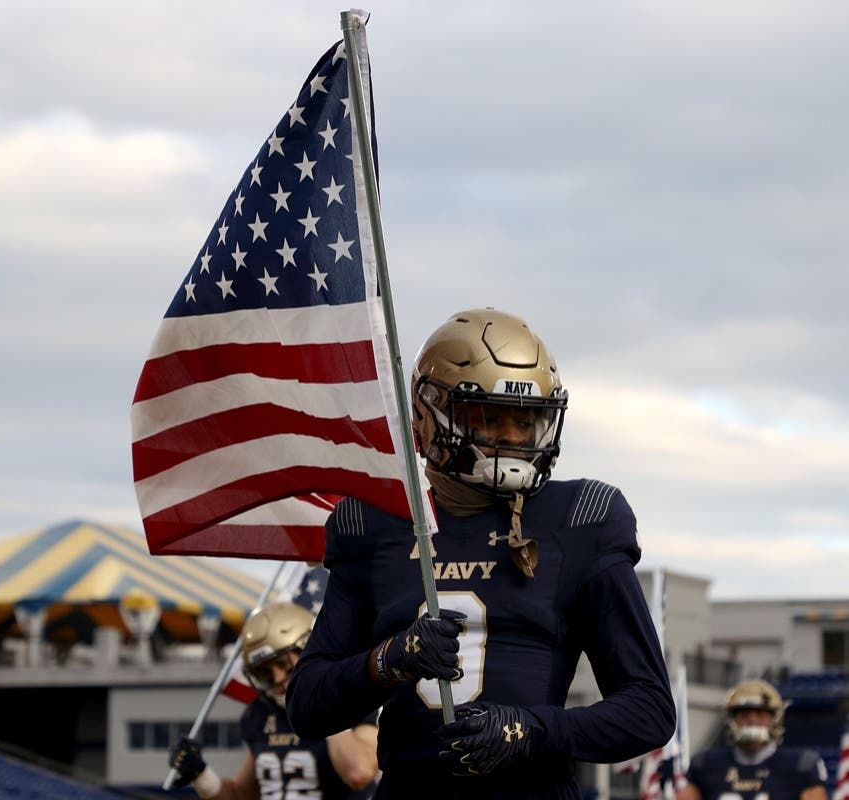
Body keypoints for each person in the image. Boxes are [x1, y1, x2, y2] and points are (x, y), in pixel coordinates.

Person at [285, 307, 677, 798]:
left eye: (526, 420)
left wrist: (532, 731)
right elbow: (306, 705)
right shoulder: (375, 522)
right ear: (427, 418)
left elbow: (649, 709)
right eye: (490, 418)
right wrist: (389, 660)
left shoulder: (580, 519)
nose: (513, 438)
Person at [169, 600, 379, 800]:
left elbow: (359, 773)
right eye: (265, 673)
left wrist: (322, 701)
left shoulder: (350, 697)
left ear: (308, 650)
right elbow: (243, 796)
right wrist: (201, 776)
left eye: (283, 664)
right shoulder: (261, 713)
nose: (278, 679)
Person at [677, 678, 828, 800]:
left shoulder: (801, 766)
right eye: (744, 715)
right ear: (731, 720)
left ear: (776, 719)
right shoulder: (705, 764)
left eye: (761, 715)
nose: (752, 720)